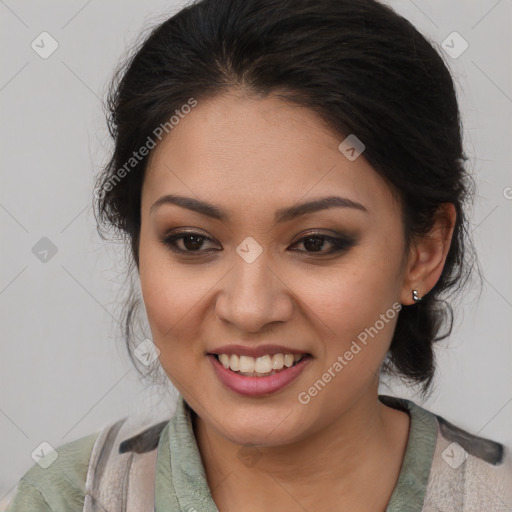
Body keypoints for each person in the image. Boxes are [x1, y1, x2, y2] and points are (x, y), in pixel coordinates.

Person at [6, 0, 512, 510]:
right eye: (192, 241)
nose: (249, 309)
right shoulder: (64, 501)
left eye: (315, 242)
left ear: (422, 253)